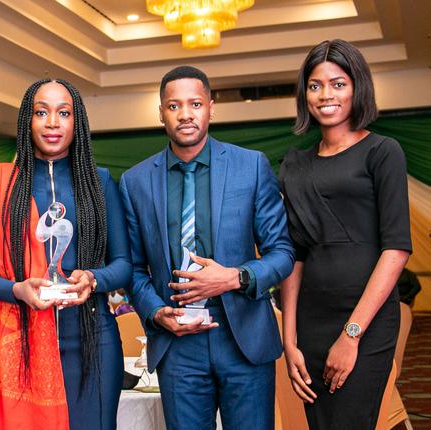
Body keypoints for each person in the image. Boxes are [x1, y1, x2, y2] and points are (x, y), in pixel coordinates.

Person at [119, 66, 295, 430]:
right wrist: (154, 312)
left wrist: (234, 277)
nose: (185, 114)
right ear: (161, 112)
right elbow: (133, 268)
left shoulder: (251, 166)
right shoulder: (135, 181)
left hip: (242, 337)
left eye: (195, 103)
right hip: (178, 344)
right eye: (174, 105)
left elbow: (282, 252)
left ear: (211, 107)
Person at [0, 79, 132, 430]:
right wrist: (17, 289)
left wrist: (93, 279)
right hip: (21, 343)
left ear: (77, 122)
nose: (52, 122)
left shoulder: (99, 183)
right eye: (41, 112)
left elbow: (124, 265)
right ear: (28, 120)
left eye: (63, 113)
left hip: (92, 341)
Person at [278, 39, 412, 430]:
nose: (325, 95)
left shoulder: (382, 152)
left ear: (358, 87)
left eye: (338, 84)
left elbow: (397, 249)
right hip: (310, 323)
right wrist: (289, 341)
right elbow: (294, 256)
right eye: (315, 85)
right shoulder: (295, 163)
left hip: (365, 324)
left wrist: (351, 335)